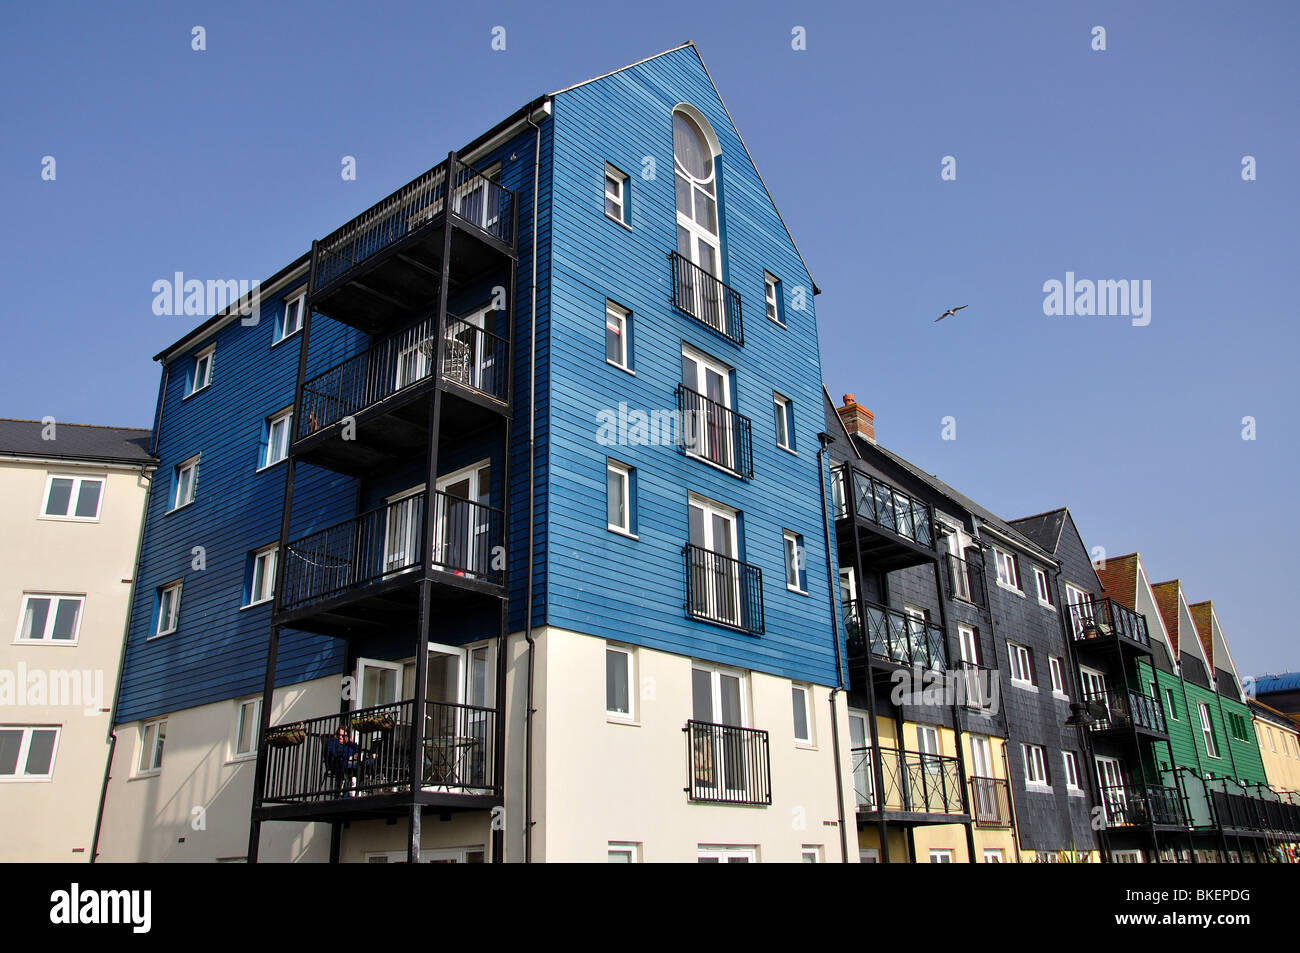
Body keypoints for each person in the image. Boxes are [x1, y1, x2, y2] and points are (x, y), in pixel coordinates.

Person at [326, 725, 372, 794]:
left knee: (366, 764)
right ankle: (353, 790)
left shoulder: (349, 744)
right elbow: (334, 753)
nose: (340, 737)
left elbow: (357, 750)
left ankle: (359, 788)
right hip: (340, 763)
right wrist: (348, 757)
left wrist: (352, 743)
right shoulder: (333, 742)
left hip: (352, 762)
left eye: (343, 736)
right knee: (359, 765)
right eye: (339, 735)